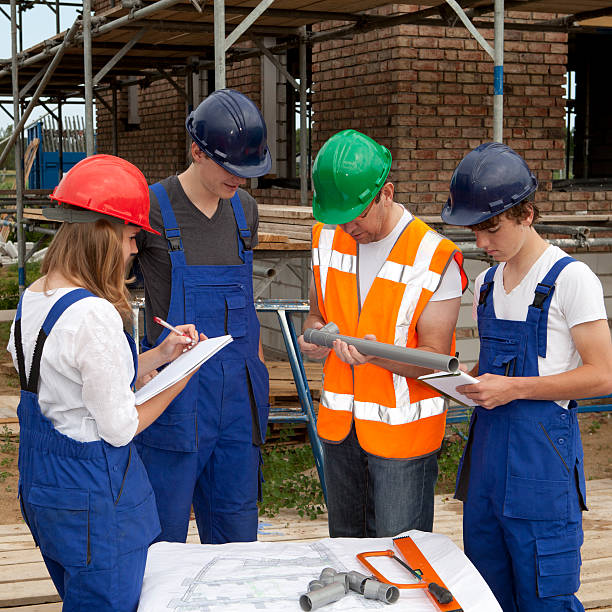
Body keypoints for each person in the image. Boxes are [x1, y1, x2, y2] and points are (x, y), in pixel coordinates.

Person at [10, 154, 204, 611]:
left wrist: (157, 356)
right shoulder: (94, 314)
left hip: (45, 487)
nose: (135, 250)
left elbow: (73, 380)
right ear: (102, 234)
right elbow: (119, 427)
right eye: (132, 237)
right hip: (95, 497)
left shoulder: (35, 296)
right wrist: (181, 377)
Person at [442, 142, 612, 611]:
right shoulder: (486, 284)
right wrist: (459, 383)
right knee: (487, 595)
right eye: (474, 231)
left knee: (545, 598)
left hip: (541, 472)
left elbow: (603, 375)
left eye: (491, 228)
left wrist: (513, 388)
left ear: (527, 214)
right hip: (487, 470)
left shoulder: (572, 280)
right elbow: (490, 373)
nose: (481, 243)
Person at [297, 129, 467, 538]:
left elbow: (433, 361)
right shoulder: (326, 236)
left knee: (400, 560)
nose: (347, 227)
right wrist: (313, 337)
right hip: (341, 430)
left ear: (386, 194)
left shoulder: (433, 256)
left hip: (403, 440)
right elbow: (315, 316)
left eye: (356, 216)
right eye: (337, 217)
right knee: (346, 552)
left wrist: (374, 354)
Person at [134, 88, 271, 545]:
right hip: (174, 399)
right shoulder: (152, 208)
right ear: (197, 151)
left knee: (236, 533)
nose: (241, 180)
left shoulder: (244, 211)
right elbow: (111, 290)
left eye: (248, 170)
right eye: (231, 168)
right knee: (161, 536)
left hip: (237, 401)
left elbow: (247, 306)